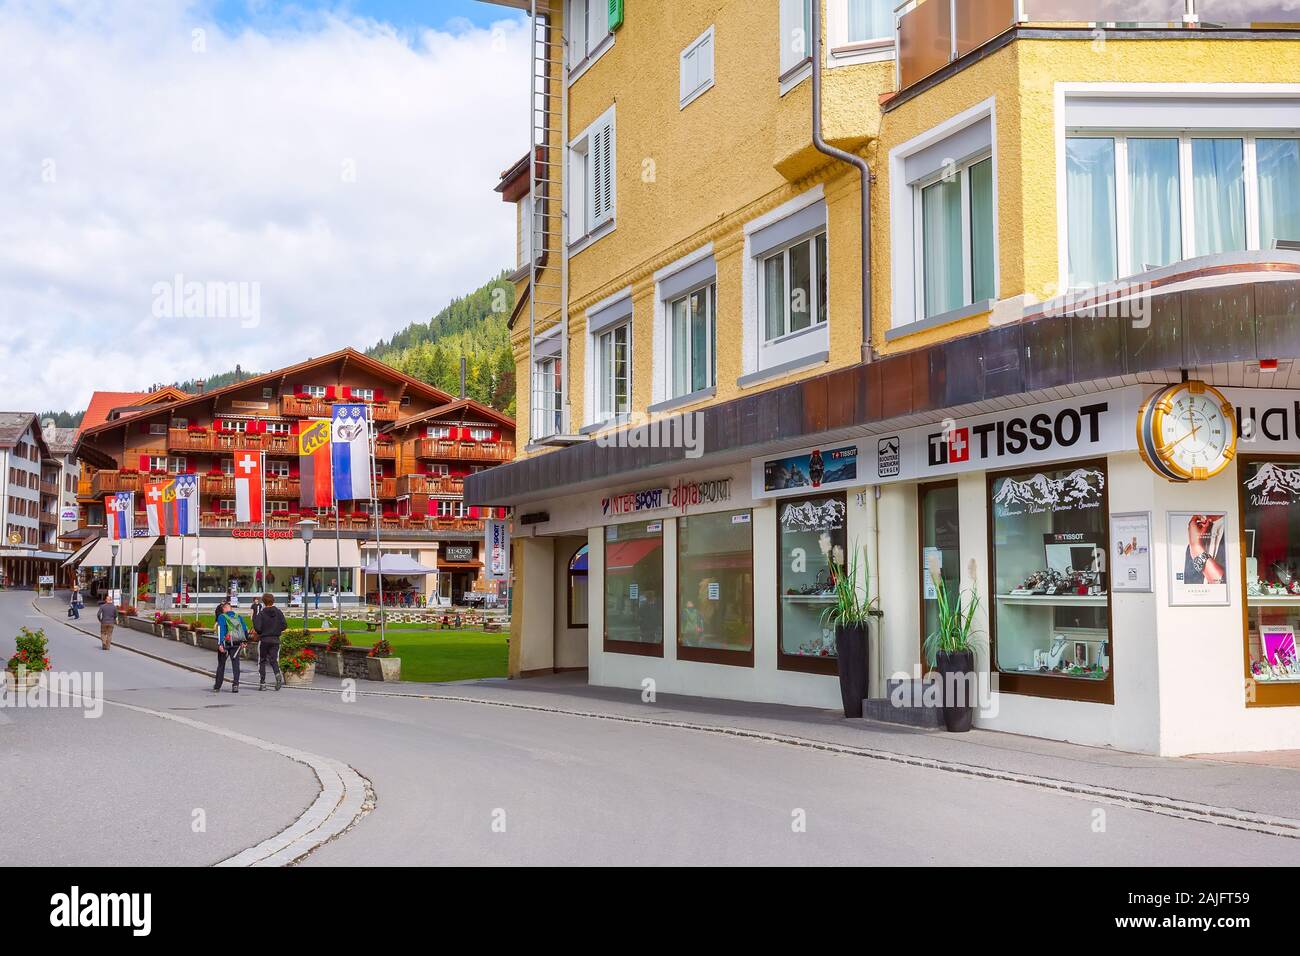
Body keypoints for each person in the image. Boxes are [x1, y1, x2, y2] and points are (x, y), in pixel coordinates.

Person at [252, 592, 286, 691]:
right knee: (274, 660)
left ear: (263, 602)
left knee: (262, 660)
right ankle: (277, 674)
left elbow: (258, 628)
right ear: (273, 601)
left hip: (264, 639)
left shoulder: (261, 613)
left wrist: (263, 630)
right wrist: (276, 629)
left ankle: (262, 683)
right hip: (275, 639)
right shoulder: (278, 612)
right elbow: (284, 625)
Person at [213, 601, 247, 693]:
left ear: (224, 609)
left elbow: (221, 630)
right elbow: (244, 629)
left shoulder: (222, 617)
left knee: (221, 664)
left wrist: (220, 644)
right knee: (236, 664)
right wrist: (244, 641)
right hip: (236, 643)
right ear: (231, 609)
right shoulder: (238, 617)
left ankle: (217, 686)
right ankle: (235, 685)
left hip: (225, 643)